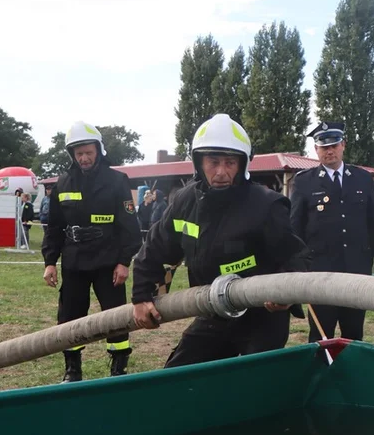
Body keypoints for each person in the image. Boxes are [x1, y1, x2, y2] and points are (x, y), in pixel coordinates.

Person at [132, 114, 311, 365]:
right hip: (213, 311)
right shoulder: (185, 202)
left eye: (229, 162)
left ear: (243, 164)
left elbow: (297, 255)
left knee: (254, 385)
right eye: (213, 161)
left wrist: (285, 293)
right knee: (178, 377)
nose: (221, 172)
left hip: (262, 318)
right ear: (198, 163)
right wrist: (141, 296)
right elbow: (153, 248)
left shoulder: (266, 205)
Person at [42, 121, 142, 381]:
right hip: (74, 262)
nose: (84, 158)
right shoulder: (63, 184)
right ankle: (72, 369)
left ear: (98, 150)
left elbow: (129, 226)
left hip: (108, 261)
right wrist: (50, 262)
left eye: (88, 152)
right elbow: (53, 227)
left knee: (115, 316)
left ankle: (119, 367)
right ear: (72, 155)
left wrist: (124, 262)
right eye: (79, 154)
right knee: (70, 317)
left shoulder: (117, 181)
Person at [290, 121, 374, 342]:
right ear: (316, 150)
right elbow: (295, 229)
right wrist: (296, 268)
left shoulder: (362, 178)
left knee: (354, 333)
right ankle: (321, 375)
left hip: (357, 269)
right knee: (321, 335)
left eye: (334, 145)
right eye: (324, 147)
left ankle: (350, 375)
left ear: (343, 144)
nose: (330, 151)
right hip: (320, 271)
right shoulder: (304, 182)